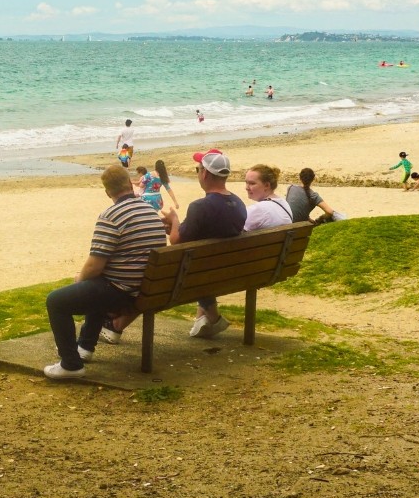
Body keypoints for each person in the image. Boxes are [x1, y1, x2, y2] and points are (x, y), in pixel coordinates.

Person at [40, 165, 170, 380]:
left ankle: (71, 365)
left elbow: (95, 265)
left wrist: (79, 280)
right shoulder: (149, 211)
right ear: (130, 184)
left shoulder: (111, 216)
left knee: (56, 301)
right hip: (146, 286)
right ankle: (84, 348)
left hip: (123, 290)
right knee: (98, 284)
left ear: (108, 192)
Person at [173, 150, 247, 337]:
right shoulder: (239, 204)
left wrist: (174, 221)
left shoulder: (199, 207)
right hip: (231, 271)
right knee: (202, 263)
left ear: (204, 173)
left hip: (199, 273)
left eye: (198, 169)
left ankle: (213, 317)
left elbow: (176, 242)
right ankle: (202, 319)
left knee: (194, 265)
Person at [242, 164, 293, 231]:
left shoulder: (257, 209)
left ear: (267, 185)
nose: (246, 188)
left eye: (252, 183)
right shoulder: (284, 203)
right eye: (246, 183)